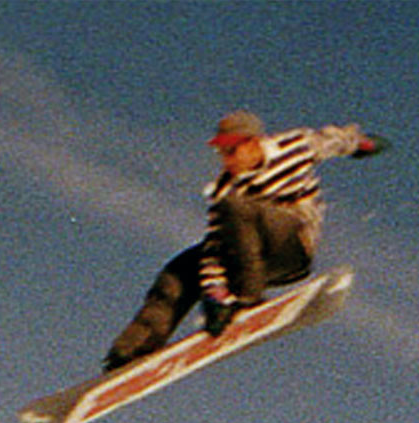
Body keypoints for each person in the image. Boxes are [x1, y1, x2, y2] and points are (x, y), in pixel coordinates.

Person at [104, 110, 387, 370]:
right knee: (181, 268)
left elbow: (328, 141)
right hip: (247, 256)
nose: (227, 160)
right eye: (221, 153)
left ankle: (249, 297)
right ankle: (133, 350)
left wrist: (361, 143)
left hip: (291, 245)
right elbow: (215, 248)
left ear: (254, 143)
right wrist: (215, 293)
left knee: (238, 208)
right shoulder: (224, 188)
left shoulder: (291, 147)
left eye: (232, 151)